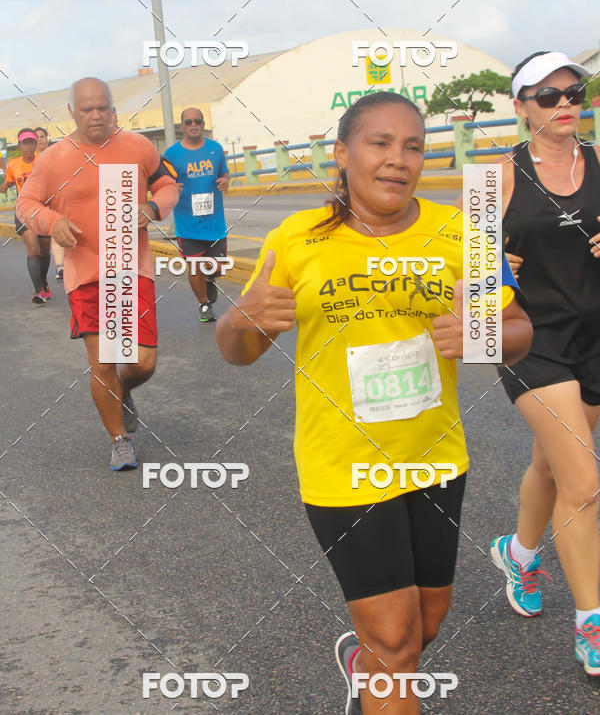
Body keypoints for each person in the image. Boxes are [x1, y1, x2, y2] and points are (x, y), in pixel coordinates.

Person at [216, 91, 532, 714]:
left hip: (435, 460)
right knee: (394, 636)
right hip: (343, 466)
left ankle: (366, 671)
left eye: (412, 146)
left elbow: (519, 330)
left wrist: (486, 335)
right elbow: (239, 348)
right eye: (379, 143)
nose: (398, 159)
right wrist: (238, 320)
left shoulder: (461, 235)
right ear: (342, 154)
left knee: (424, 626)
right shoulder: (297, 238)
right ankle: (378, 663)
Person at [487, 51, 600, 676]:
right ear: (521, 107)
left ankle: (520, 553)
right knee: (585, 482)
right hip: (533, 341)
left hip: (595, 336)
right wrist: (497, 272)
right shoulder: (498, 176)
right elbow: (468, 265)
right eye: (547, 95)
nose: (564, 103)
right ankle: (593, 626)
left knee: (553, 465)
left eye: (572, 91)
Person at [17, 77, 179, 470]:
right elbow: (25, 203)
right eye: (87, 109)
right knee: (104, 362)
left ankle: (121, 391)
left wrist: (155, 208)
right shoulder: (54, 158)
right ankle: (119, 439)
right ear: (72, 112)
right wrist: (51, 220)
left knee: (142, 363)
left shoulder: (137, 146)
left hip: (132, 267)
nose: (95, 115)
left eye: (102, 107)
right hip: (86, 272)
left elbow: (168, 184)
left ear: (112, 109)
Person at [164, 107, 230, 323]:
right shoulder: (172, 154)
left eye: (198, 121)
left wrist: (225, 181)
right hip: (187, 221)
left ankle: (210, 279)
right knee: (194, 265)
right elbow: (162, 181)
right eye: (189, 122)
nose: (193, 125)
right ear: (182, 126)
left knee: (218, 266)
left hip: (214, 221)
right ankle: (204, 304)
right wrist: (171, 187)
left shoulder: (215, 149)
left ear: (203, 125)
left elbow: (225, 173)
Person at [0, 128, 52, 304]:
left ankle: (43, 282)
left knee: (45, 252)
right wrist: (4, 186)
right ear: (20, 145)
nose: (28, 146)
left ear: (36, 144)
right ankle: (39, 292)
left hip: (44, 211)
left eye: (31, 142)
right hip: (23, 212)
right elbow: (7, 183)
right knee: (33, 250)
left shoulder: (45, 161)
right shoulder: (14, 165)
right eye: (25, 143)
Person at [34, 125, 65, 281]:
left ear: (47, 139)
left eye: (42, 136)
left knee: (57, 232)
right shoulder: (30, 160)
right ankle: (46, 274)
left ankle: (62, 267)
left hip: (58, 198)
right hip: (39, 203)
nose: (40, 140)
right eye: (37, 137)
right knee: (45, 242)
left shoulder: (57, 155)